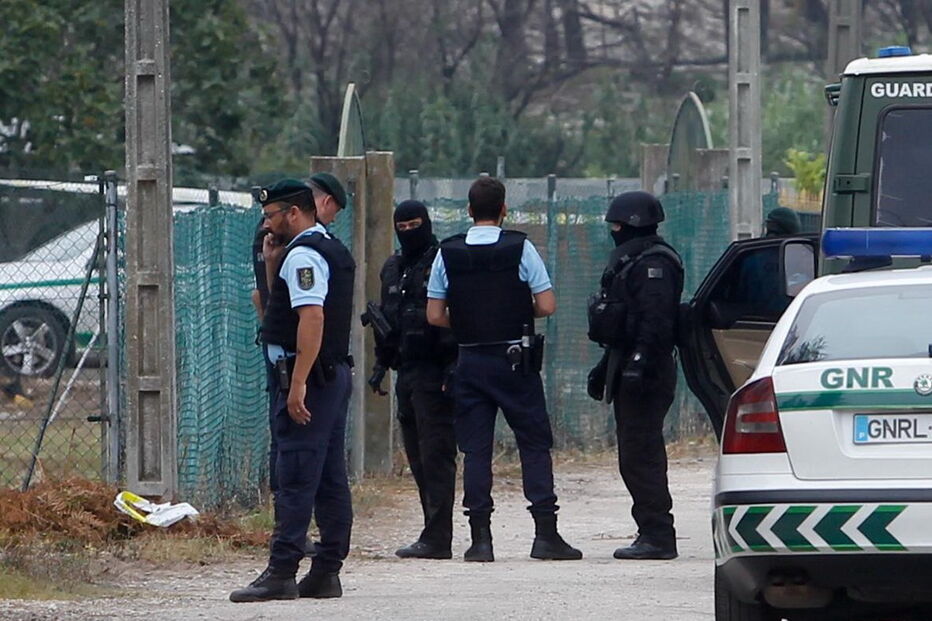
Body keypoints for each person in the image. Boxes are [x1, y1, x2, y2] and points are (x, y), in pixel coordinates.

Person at [426, 177, 581, 563]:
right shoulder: (520, 247)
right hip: (514, 360)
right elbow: (547, 305)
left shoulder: (448, 252)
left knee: (475, 450)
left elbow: (434, 315)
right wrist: (513, 313)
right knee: (533, 443)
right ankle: (545, 534)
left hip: (470, 360)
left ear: (468, 210)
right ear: (504, 210)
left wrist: (469, 321)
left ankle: (480, 540)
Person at [230, 175, 354, 602]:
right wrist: (270, 266)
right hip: (327, 375)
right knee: (329, 476)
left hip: (308, 378)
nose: (267, 224)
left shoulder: (305, 255)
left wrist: (297, 383)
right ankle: (326, 571)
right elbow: (279, 310)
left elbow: (311, 317)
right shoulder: (324, 247)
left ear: (295, 212)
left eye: (271, 216)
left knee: (296, 474)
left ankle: (282, 572)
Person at [586, 190, 684, 561]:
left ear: (633, 224)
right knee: (634, 453)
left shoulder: (654, 264)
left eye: (617, 225)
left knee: (642, 454)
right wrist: (606, 368)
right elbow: (627, 323)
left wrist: (639, 363)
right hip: (628, 364)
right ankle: (651, 530)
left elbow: (656, 322)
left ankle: (658, 534)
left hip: (648, 373)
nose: (614, 232)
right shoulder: (634, 260)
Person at [369, 200, 458, 560]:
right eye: (401, 227)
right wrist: (380, 364)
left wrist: (453, 367)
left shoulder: (443, 261)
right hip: (405, 369)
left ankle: (438, 536)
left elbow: (456, 316)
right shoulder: (392, 268)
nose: (408, 232)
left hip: (435, 370)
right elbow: (387, 321)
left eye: (414, 225)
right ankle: (432, 531)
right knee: (417, 456)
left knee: (436, 454)